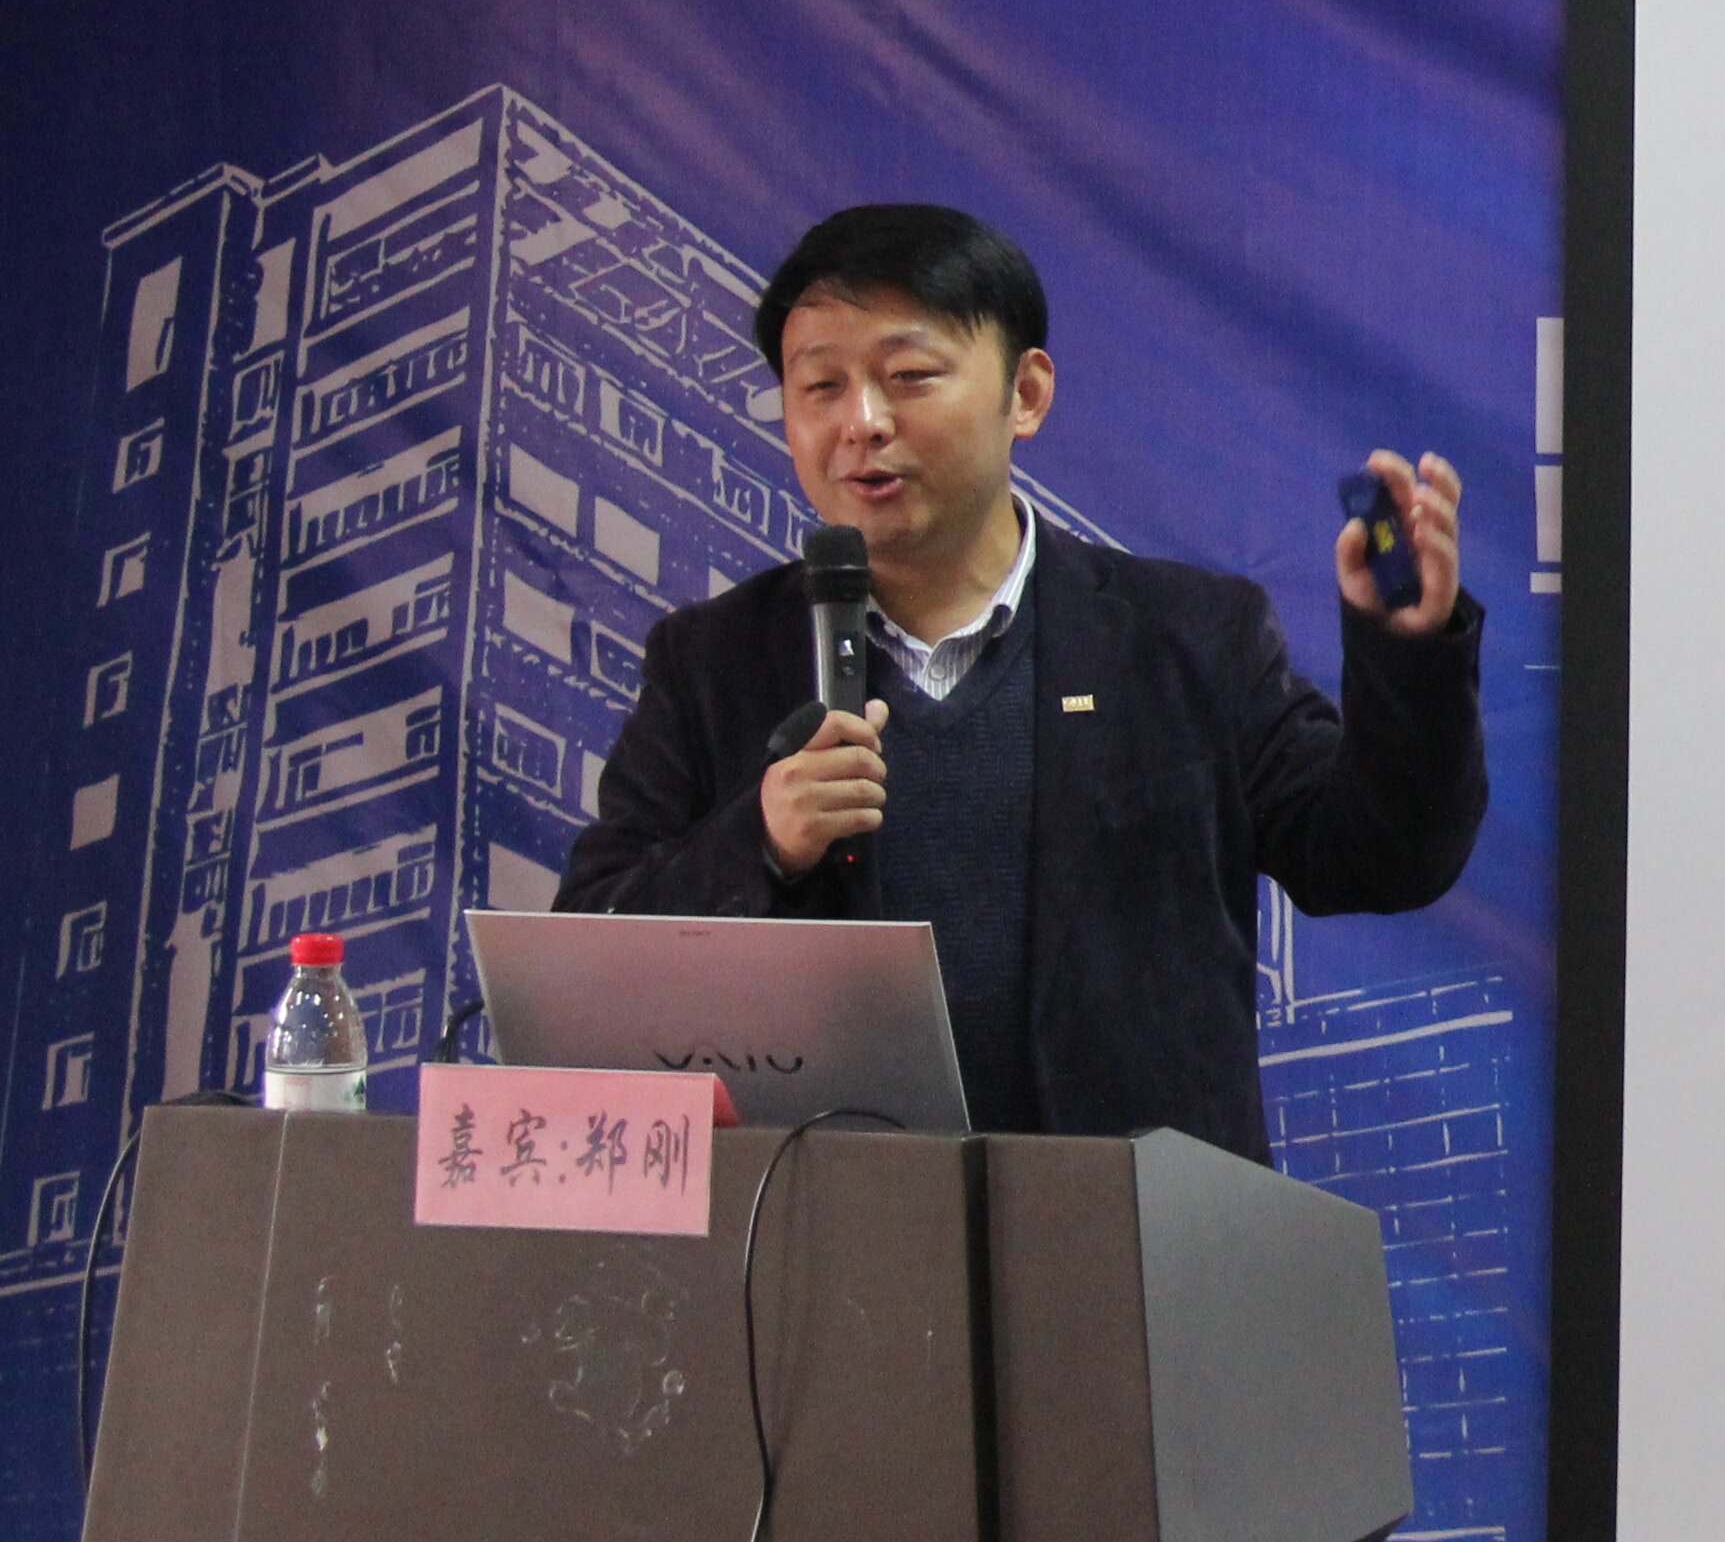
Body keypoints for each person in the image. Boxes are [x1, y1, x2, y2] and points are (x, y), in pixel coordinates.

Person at [555, 201, 1484, 1156]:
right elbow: (589, 958)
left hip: (1130, 1221)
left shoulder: (1185, 637)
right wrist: (761, 841)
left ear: (1026, 394)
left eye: (910, 378)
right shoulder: (714, 660)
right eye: (820, 387)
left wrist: (1407, 654)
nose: (862, 423)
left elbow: (1381, 857)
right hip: (818, 1219)